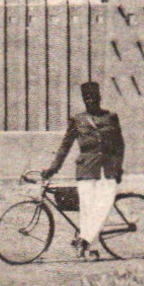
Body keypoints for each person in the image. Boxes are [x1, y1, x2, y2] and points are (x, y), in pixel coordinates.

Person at [41, 81, 125, 259]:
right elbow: (65, 146)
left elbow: (119, 145)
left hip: (109, 169)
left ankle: (84, 239)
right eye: (87, 98)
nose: (91, 100)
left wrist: (119, 167)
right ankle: (89, 246)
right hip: (87, 169)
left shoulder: (111, 117)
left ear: (99, 97)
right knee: (88, 208)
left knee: (104, 205)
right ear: (83, 100)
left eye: (94, 97)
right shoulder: (77, 120)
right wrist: (53, 169)